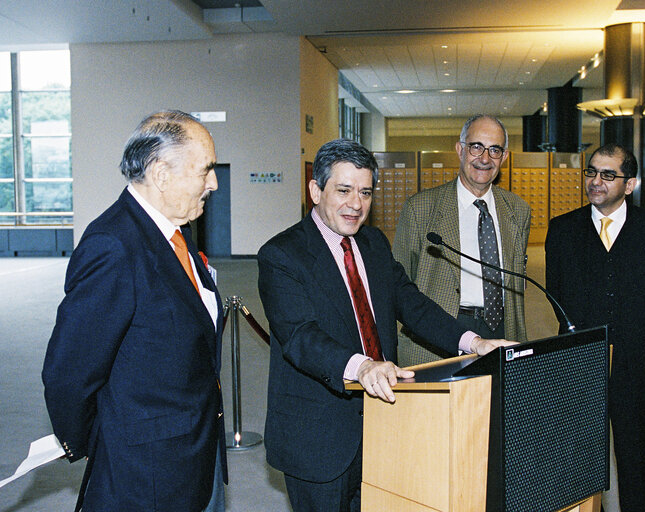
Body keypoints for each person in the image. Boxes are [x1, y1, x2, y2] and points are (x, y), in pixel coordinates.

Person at [257, 138, 512, 512]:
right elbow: (299, 336)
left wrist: (473, 342)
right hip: (318, 434)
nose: (356, 204)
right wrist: (361, 366)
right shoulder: (281, 254)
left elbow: (413, 304)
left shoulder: (373, 242)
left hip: (384, 420)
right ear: (315, 190)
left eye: (365, 192)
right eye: (343, 190)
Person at [42, 110, 227, 512]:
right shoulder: (114, 245)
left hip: (196, 449)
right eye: (205, 170)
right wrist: (107, 442)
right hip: (146, 473)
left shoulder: (177, 232)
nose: (213, 182)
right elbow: (68, 373)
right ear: (161, 173)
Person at [545, 143, 645, 512]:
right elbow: (556, 293)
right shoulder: (562, 231)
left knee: (635, 466)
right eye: (591, 172)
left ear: (630, 184)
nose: (596, 181)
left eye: (608, 174)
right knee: (581, 469)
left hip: (637, 368)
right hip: (580, 366)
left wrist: (633, 335)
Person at [392, 114, 531, 366]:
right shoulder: (420, 208)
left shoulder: (518, 210)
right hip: (439, 333)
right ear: (460, 149)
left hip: (501, 330)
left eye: (495, 150)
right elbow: (400, 284)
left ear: (505, 157)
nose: (485, 159)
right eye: (476, 147)